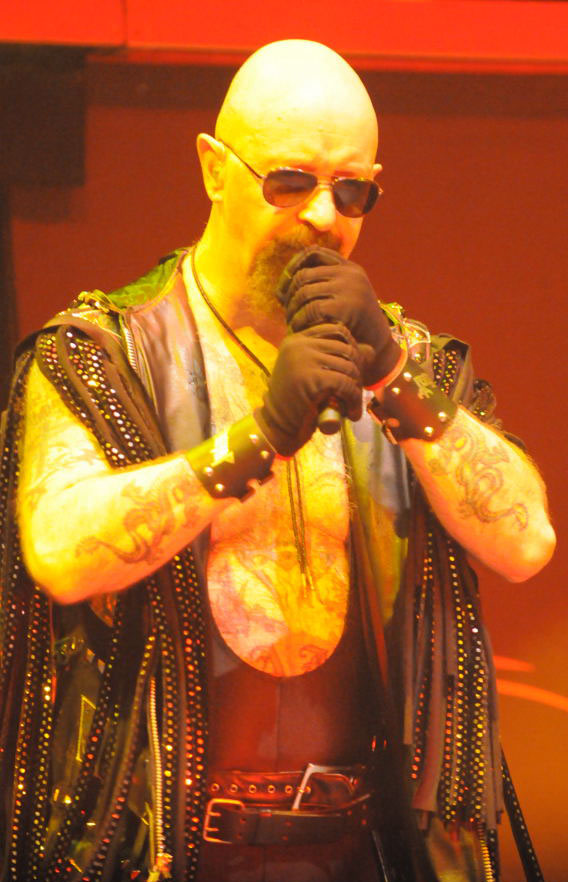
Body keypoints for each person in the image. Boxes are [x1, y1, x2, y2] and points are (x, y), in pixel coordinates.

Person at [0, 39, 555, 882]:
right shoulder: (100, 356)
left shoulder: (409, 368)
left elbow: (527, 543)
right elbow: (60, 553)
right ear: (214, 169)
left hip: (365, 849)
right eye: (290, 182)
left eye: (352, 189)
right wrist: (257, 438)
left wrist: (394, 377)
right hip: (160, 850)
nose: (325, 216)